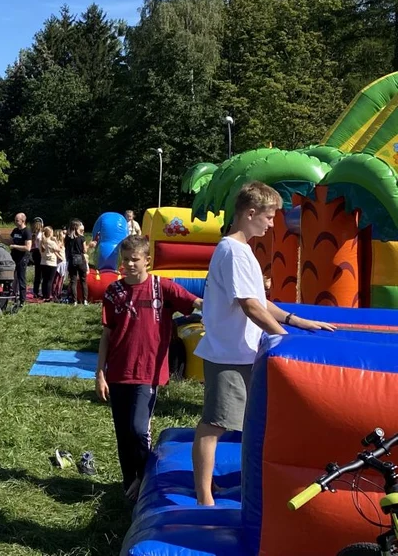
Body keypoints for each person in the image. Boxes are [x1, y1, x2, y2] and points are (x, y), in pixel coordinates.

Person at [191, 181, 335, 506]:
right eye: (269, 217)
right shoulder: (233, 251)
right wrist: (283, 340)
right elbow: (250, 306)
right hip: (229, 354)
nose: (272, 224)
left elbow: (262, 301)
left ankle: (234, 487)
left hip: (242, 352)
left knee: (246, 425)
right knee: (215, 424)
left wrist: (296, 322)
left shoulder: (242, 252)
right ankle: (204, 497)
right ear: (250, 213)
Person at [96, 234, 203, 501]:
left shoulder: (162, 288)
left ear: (147, 261)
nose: (130, 264)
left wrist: (229, 302)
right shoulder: (114, 291)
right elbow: (107, 334)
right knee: (123, 434)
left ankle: (145, 481)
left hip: (147, 373)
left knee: (137, 429)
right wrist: (100, 372)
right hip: (118, 371)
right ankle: (129, 485)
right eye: (126, 259)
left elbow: (196, 303)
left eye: (135, 259)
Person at [4, 213, 33, 306]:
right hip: (13, 256)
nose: (15, 222)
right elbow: (10, 242)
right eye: (15, 220)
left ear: (23, 221)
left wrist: (15, 246)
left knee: (21, 278)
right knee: (8, 277)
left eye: (17, 220)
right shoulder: (15, 230)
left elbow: (28, 247)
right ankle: (8, 296)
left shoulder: (27, 231)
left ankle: (22, 300)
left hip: (23, 257)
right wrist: (0, 238)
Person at [65, 220, 90, 305]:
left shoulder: (67, 238)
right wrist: (89, 245)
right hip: (80, 260)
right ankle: (85, 300)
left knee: (73, 281)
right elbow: (85, 250)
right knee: (83, 280)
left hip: (72, 260)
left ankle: (74, 300)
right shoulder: (82, 237)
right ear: (77, 227)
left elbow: (66, 249)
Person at [39, 226, 62, 301]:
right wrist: (56, 241)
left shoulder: (41, 242)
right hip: (51, 263)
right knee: (50, 280)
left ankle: (43, 294)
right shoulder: (51, 242)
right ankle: (48, 296)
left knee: (44, 280)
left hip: (43, 262)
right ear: (50, 233)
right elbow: (58, 249)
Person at [31, 217, 45, 298]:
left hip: (35, 253)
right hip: (40, 253)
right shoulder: (40, 234)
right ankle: (39, 291)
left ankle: (35, 291)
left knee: (37, 273)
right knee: (41, 273)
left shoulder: (33, 233)